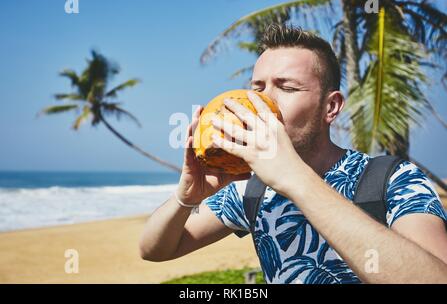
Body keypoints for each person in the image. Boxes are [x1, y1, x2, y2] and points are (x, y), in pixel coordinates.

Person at [139, 24, 447, 284]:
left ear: (331, 106)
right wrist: (186, 198)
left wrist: (295, 178)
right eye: (257, 88)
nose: (263, 103)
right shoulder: (251, 189)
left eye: (286, 88)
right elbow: (155, 250)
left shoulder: (393, 179)